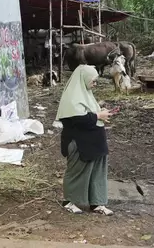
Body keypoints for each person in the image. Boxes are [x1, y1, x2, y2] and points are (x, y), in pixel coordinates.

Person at [56, 64, 116, 216]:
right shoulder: (71, 97)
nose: (95, 84)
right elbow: (76, 120)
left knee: (97, 173)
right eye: (93, 81)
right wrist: (97, 116)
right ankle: (69, 201)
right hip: (79, 143)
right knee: (77, 172)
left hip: (95, 142)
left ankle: (97, 202)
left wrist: (101, 113)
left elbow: (89, 112)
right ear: (83, 79)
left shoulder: (86, 93)